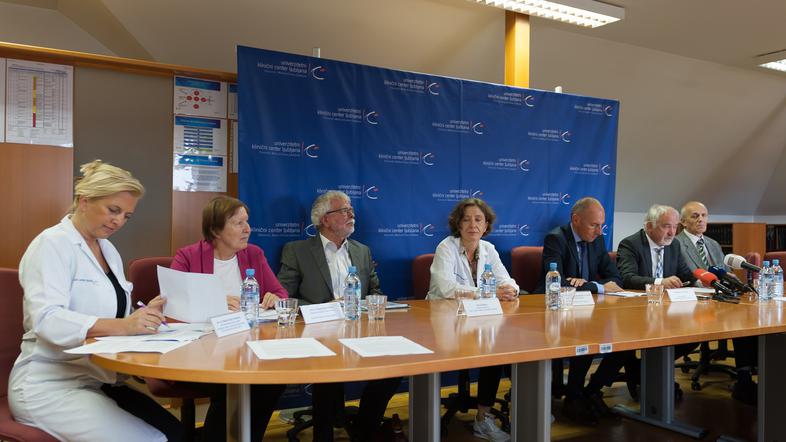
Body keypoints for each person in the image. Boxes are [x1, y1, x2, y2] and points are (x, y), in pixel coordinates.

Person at [8, 160, 183, 441]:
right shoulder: (51, 244)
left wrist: (141, 317)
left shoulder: (107, 249)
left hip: (99, 379)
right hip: (50, 385)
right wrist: (125, 326)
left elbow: (112, 315)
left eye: (126, 216)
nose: (119, 221)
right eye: (113, 210)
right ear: (84, 200)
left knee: (176, 433)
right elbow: (47, 320)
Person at [277, 191, 402, 442]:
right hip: (318, 332)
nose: (351, 214)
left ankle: (365, 429)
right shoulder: (297, 251)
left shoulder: (362, 251)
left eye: (351, 209)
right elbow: (285, 297)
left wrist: (371, 306)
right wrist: (325, 308)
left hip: (360, 330)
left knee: (395, 369)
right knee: (328, 372)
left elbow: (375, 292)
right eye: (344, 210)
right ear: (325, 219)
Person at [170, 196, 287, 441]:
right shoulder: (188, 256)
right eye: (238, 223)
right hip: (203, 348)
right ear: (215, 230)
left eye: (247, 222)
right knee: (232, 383)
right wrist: (215, 301)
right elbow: (173, 304)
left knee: (274, 381)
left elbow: (279, 292)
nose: (247, 229)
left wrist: (274, 298)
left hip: (246, 344)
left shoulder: (254, 254)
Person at [427, 197, 518, 442]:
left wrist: (511, 289)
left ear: (486, 225)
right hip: (445, 321)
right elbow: (446, 288)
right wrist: (488, 293)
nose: (473, 225)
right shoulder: (446, 247)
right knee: (493, 350)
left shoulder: (488, 249)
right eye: (466, 219)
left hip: (479, 320)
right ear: (458, 224)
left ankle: (495, 414)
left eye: (478, 219)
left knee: (503, 349)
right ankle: (479, 420)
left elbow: (506, 280)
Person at [540, 197, 623, 425]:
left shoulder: (597, 239)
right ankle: (574, 398)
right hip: (557, 311)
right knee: (585, 340)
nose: (599, 231)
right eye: (594, 225)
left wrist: (587, 284)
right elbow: (557, 283)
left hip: (590, 310)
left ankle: (592, 390)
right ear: (576, 220)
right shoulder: (556, 239)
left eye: (601, 225)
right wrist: (596, 286)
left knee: (623, 343)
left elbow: (615, 278)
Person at [676, 201, 757, 405]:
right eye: (695, 216)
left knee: (745, 319)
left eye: (704, 215)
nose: (701, 220)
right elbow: (682, 276)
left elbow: (724, 272)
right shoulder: (676, 244)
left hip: (722, 299)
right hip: (694, 303)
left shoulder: (713, 244)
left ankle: (745, 376)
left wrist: (732, 280)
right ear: (683, 221)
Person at [616, 204, 698, 399]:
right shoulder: (630, 244)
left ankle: (649, 369)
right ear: (649, 226)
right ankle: (648, 373)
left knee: (694, 336)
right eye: (666, 226)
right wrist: (660, 282)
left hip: (667, 311)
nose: (672, 232)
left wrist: (703, 282)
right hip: (636, 311)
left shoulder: (674, 245)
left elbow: (685, 274)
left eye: (675, 227)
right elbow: (627, 278)